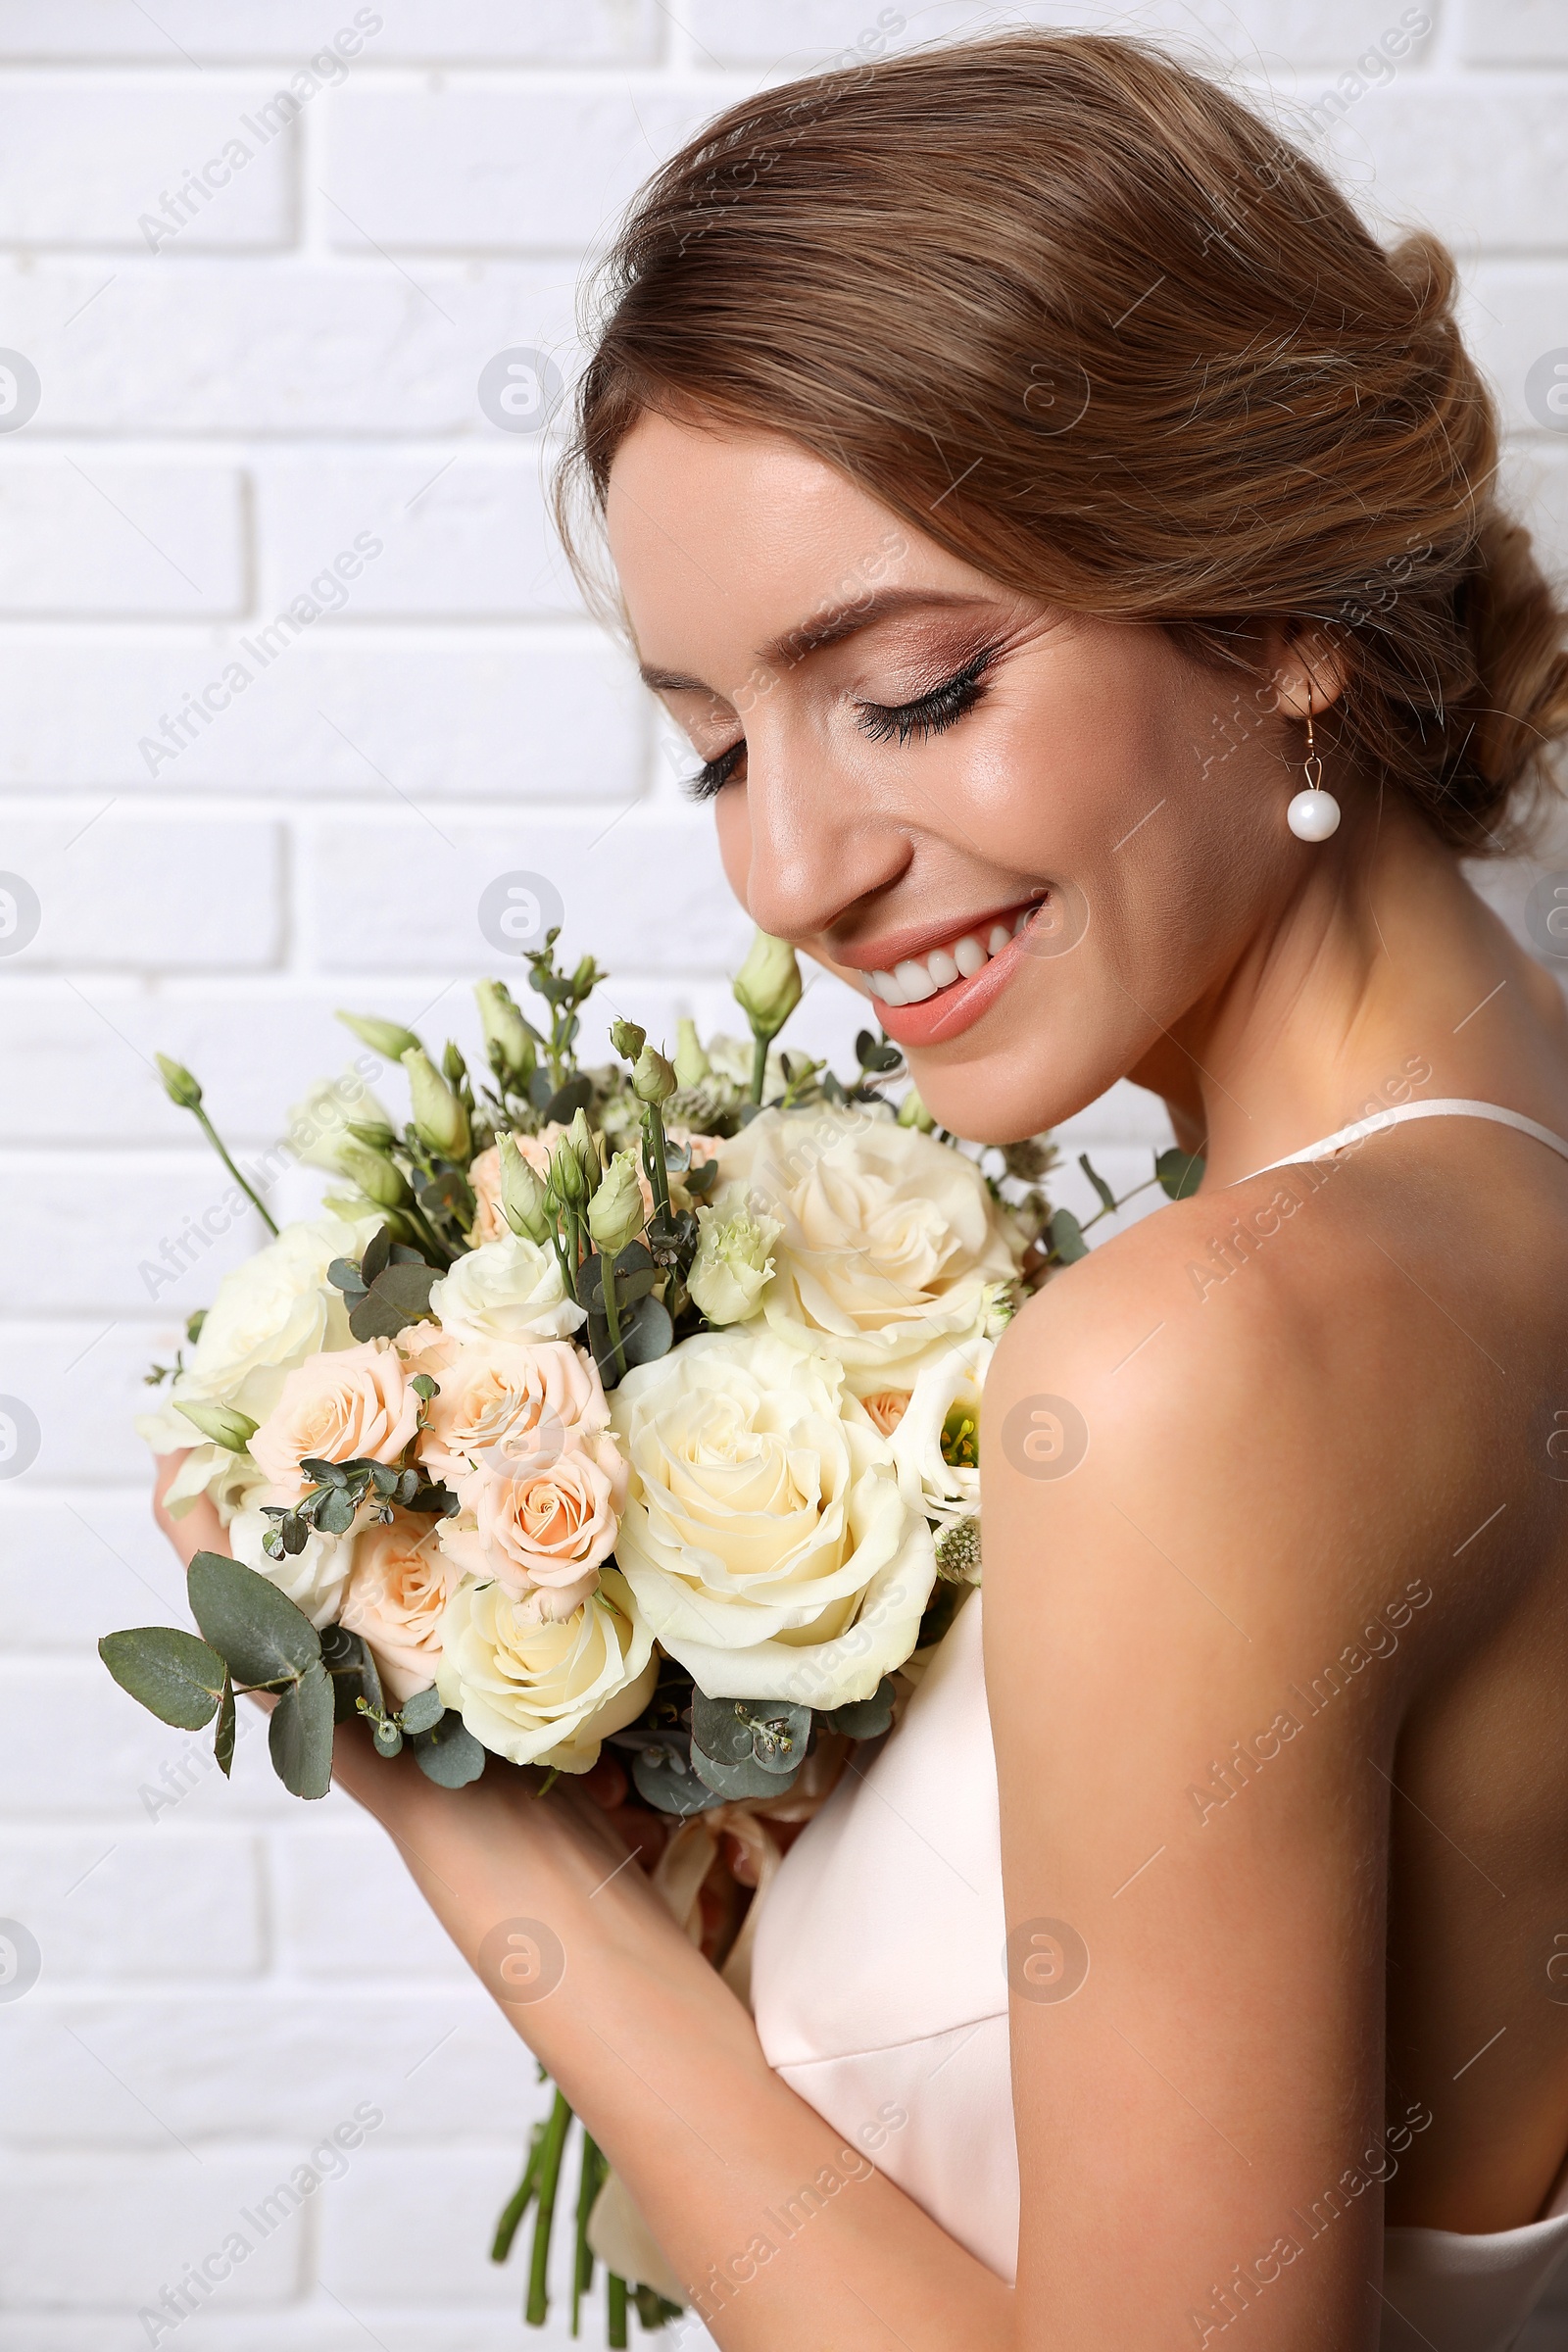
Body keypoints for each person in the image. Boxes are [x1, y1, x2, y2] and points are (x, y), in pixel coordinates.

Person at [157, 33, 1568, 2349]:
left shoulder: (1208, 1351)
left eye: (910, 689)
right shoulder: (1476, 1167)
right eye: (715, 745)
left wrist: (519, 1893)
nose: (790, 870)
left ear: (1286, 605)